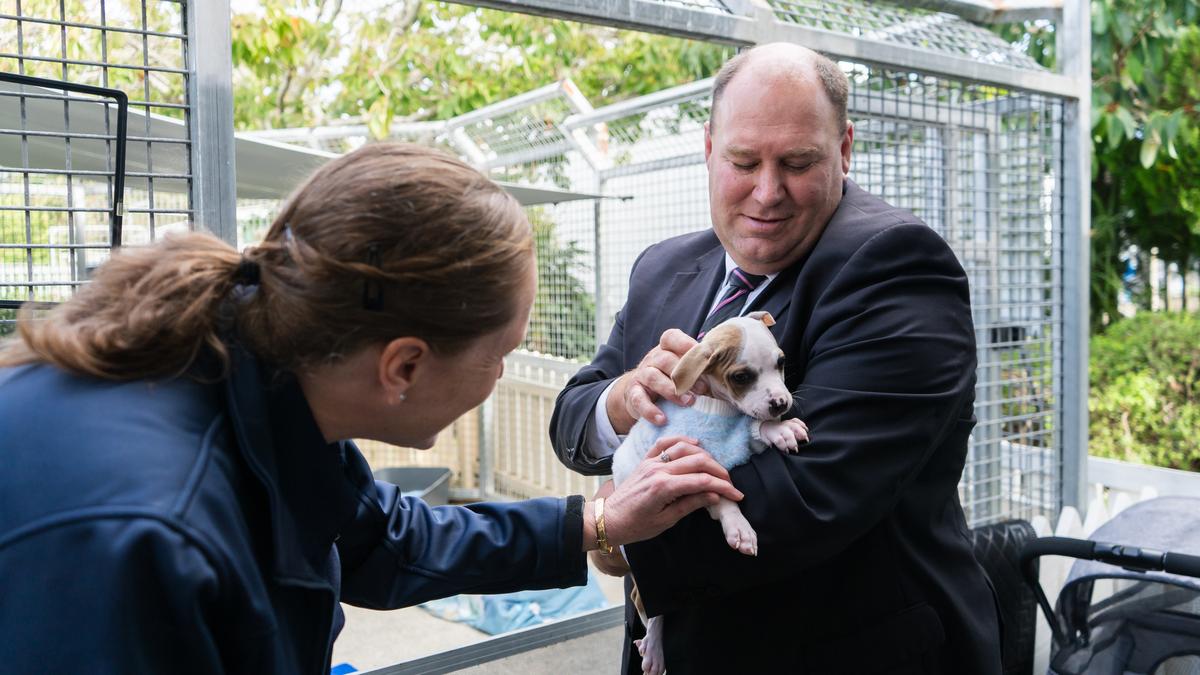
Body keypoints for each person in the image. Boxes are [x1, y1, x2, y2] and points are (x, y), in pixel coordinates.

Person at [0, 143, 745, 674]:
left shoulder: (257, 379)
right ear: (405, 366)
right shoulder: (141, 532)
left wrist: (597, 520)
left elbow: (379, 539)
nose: (506, 370)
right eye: (500, 352)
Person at [549, 43, 1003, 674]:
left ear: (844, 150)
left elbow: (808, 492)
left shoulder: (896, 265)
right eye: (743, 160)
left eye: (797, 162)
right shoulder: (662, 269)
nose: (767, 192)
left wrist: (613, 533)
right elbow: (573, 417)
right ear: (708, 148)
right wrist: (625, 400)